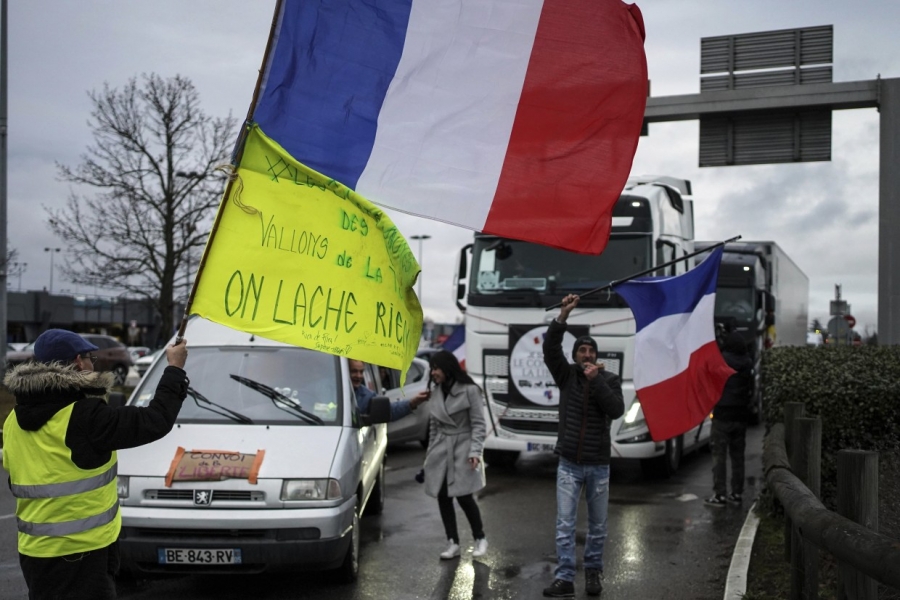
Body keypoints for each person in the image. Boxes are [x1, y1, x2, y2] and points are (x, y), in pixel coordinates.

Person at [2, 328, 189, 600]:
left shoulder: (13, 421)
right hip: (83, 554)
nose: (93, 364)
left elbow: (15, 478)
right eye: (91, 358)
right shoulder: (85, 416)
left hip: (35, 553)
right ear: (79, 362)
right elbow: (154, 420)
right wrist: (174, 368)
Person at [542, 294, 624, 598]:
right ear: (575, 356)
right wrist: (562, 317)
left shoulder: (610, 380)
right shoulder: (566, 377)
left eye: (590, 351)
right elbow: (550, 350)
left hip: (598, 465)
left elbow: (616, 410)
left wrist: (597, 381)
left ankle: (592, 574)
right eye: (582, 351)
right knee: (565, 525)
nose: (586, 355)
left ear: (596, 356)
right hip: (569, 464)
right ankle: (564, 578)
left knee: (598, 527)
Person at [413, 350, 488, 560]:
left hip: (463, 448)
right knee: (443, 496)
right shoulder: (436, 392)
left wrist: (475, 451)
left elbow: (479, 424)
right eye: (432, 369)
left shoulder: (470, 390)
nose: (433, 373)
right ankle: (453, 542)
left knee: (464, 496)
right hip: (441, 449)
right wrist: (429, 458)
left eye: (436, 368)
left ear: (447, 368)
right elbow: (434, 429)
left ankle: (480, 538)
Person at [705, 331, 754, 507]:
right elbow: (751, 391)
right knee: (737, 457)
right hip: (740, 416)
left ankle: (720, 494)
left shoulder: (721, 360)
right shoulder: (748, 363)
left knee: (719, 456)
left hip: (722, 416)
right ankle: (737, 494)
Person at [348, 359, 427, 420]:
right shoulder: (335, 392)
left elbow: (388, 410)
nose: (359, 376)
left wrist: (412, 403)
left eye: (361, 372)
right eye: (354, 371)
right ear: (346, 371)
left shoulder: (366, 396)